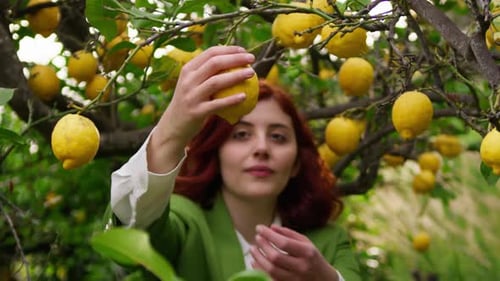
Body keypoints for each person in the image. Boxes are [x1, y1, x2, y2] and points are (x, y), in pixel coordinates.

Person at [110, 45, 361, 281]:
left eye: (278, 136)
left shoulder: (329, 242)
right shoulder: (186, 224)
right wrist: (171, 131)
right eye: (241, 134)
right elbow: (133, 230)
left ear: (296, 162)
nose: (262, 148)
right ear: (216, 152)